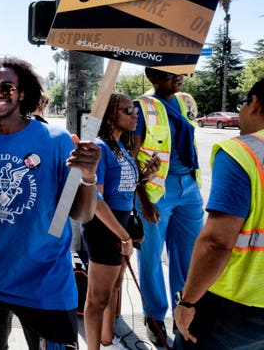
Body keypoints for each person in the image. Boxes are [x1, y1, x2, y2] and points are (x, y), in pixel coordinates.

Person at [0, 56, 101, 350]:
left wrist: (89, 176)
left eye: (7, 87)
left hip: (46, 286)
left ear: (23, 93)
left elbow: (81, 213)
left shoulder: (56, 141)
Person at [173, 78, 264, 350]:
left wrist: (187, 302)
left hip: (234, 303)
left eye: (242, 104)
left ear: (255, 103)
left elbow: (217, 243)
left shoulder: (244, 151)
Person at [132, 67, 204, 345]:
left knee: (188, 258)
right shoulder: (143, 106)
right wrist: (144, 201)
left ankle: (182, 315)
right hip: (156, 193)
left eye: (179, 72)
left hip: (189, 187)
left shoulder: (186, 101)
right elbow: (132, 158)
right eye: (169, 73)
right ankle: (154, 316)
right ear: (152, 77)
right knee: (150, 258)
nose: (178, 76)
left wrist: (194, 188)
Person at [82, 94, 160, 350]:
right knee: (97, 298)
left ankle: (107, 340)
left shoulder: (120, 147)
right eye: (129, 111)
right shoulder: (100, 147)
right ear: (111, 115)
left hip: (120, 224)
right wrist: (123, 236)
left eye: (135, 110)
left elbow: (123, 187)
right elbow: (96, 197)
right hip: (105, 226)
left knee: (114, 288)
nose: (135, 115)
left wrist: (146, 175)